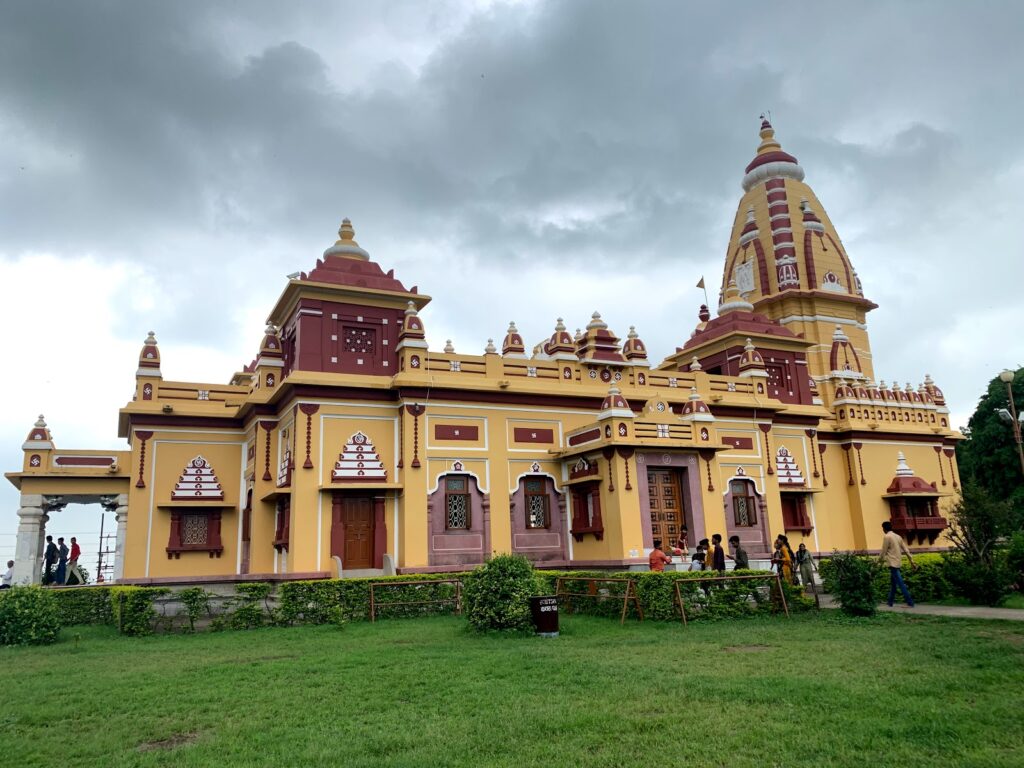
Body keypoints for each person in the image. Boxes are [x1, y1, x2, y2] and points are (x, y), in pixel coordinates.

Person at [878, 521, 917, 607]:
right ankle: (890, 602)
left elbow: (883, 552)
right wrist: (912, 561)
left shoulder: (887, 537)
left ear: (884, 529)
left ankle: (910, 603)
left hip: (892, 564)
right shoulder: (898, 536)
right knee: (894, 584)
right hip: (898, 562)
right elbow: (906, 550)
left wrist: (877, 563)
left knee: (900, 584)